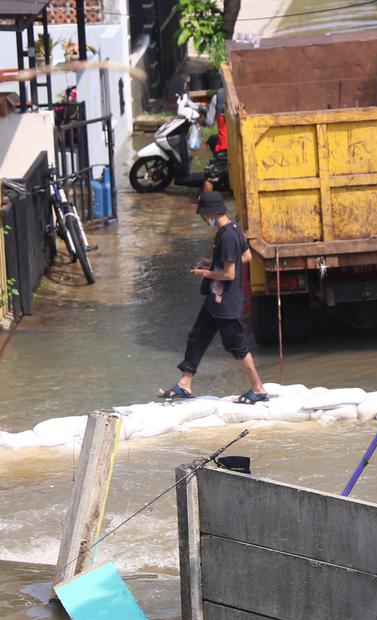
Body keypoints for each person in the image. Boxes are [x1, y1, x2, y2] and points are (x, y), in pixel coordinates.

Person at [158, 192, 268, 404]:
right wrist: (213, 262)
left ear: (210, 213)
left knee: (237, 346)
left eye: (202, 215)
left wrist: (205, 273)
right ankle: (184, 384)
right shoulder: (234, 228)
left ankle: (258, 388)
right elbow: (245, 256)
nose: (202, 219)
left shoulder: (226, 236)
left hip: (224, 302)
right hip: (215, 299)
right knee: (197, 335)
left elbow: (229, 274)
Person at [202, 88, 228, 193]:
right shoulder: (243, 93)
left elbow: (209, 122)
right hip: (241, 145)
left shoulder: (217, 97)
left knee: (209, 177)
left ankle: (206, 204)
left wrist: (200, 118)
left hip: (225, 147)